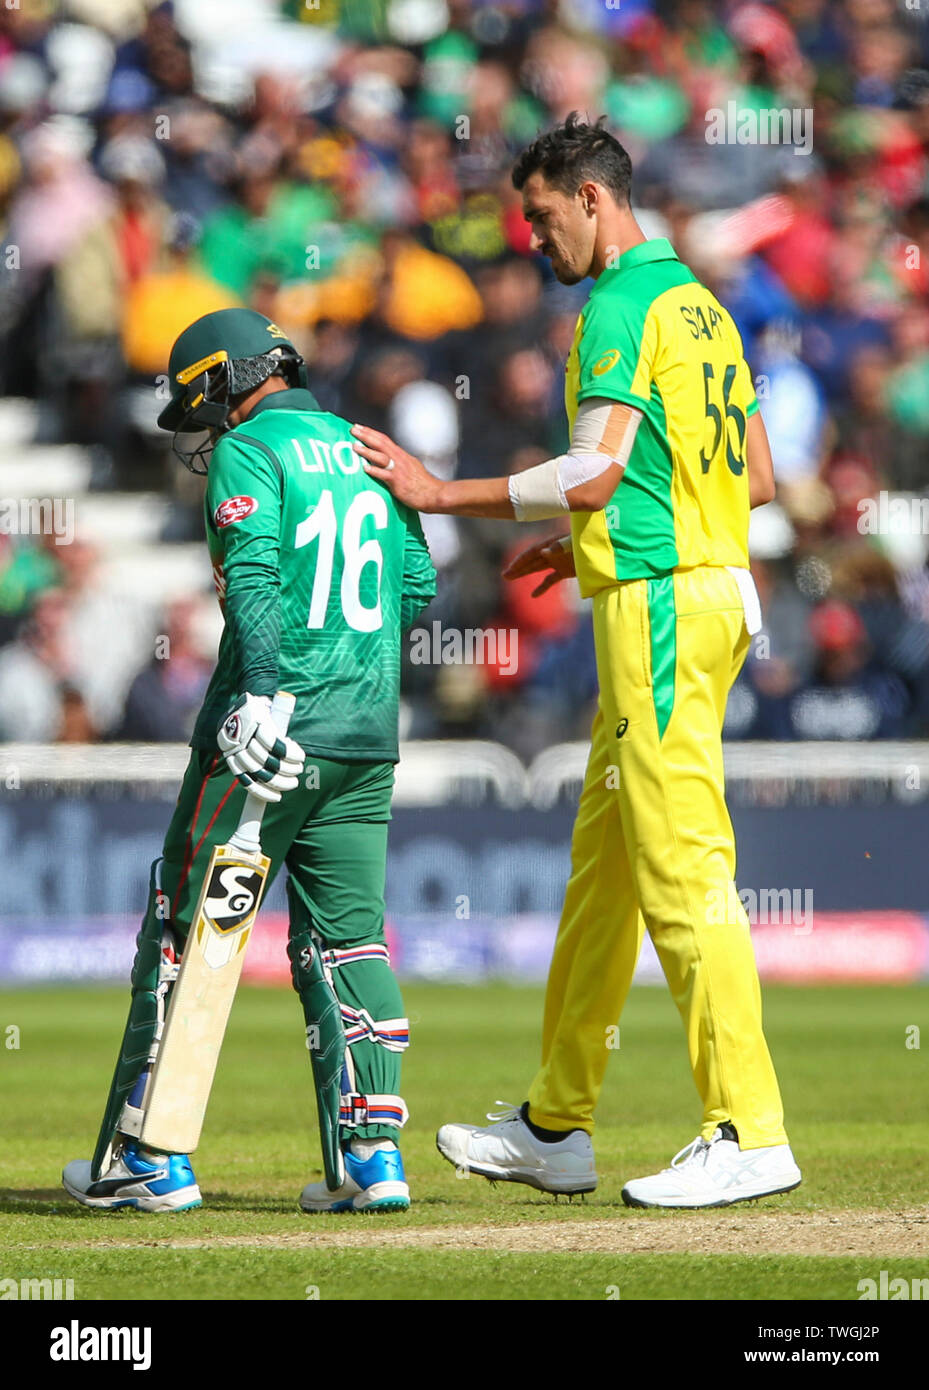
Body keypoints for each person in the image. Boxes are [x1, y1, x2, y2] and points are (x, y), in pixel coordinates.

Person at [351, 114, 801, 1210]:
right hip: (702, 587)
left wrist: (438, 491)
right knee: (606, 875)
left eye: (542, 216)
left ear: (590, 199)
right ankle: (556, 1120)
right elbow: (755, 480)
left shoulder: (615, 306)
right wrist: (593, 529)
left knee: (680, 866)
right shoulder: (702, 305)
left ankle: (747, 1126)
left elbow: (593, 471)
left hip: (654, 608)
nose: (532, 240)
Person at [62, 308, 436, 1214]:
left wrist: (265, 687)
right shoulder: (364, 446)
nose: (207, 431)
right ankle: (372, 1160)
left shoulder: (250, 449)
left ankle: (151, 1157)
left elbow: (258, 578)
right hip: (364, 733)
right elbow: (418, 586)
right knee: (348, 938)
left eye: (205, 405)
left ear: (231, 379)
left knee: (190, 926)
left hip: (268, 737)